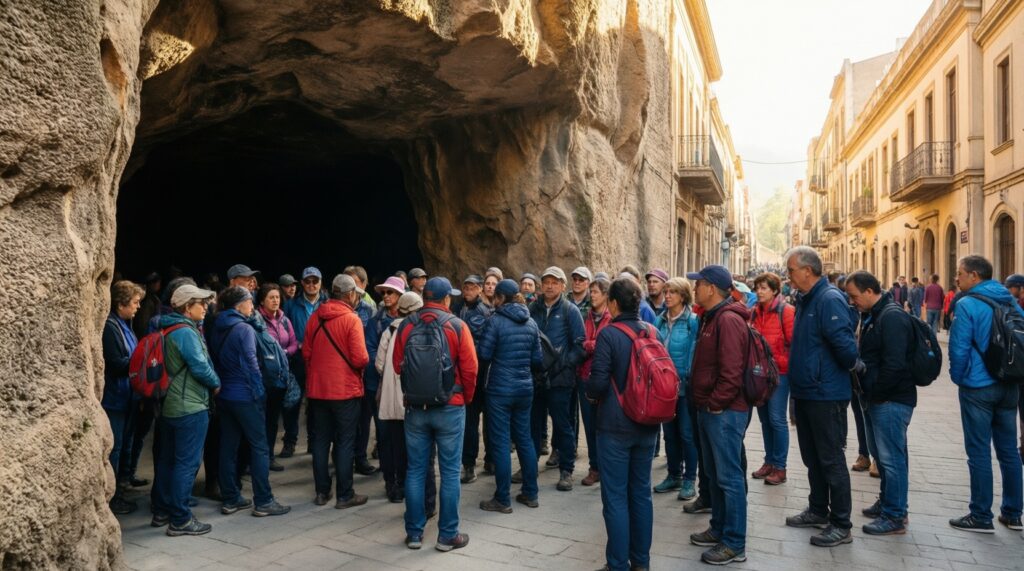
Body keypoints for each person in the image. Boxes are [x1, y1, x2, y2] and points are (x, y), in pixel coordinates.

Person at [391, 277, 479, 552]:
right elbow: (471, 369)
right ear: (446, 299)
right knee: (450, 471)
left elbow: (396, 366)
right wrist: (465, 397)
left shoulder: (406, 325)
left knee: (416, 470)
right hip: (450, 406)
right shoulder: (457, 326)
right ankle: (447, 535)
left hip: (416, 408)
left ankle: (415, 533)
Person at [783, 246, 861, 547]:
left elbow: (846, 348)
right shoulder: (806, 299)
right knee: (812, 457)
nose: (788, 276)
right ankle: (818, 509)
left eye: (791, 270)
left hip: (825, 394)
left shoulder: (828, 299)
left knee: (830, 459)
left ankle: (841, 523)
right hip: (807, 392)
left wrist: (826, 372)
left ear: (807, 270)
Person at [585, 277, 660, 571]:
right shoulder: (652, 330)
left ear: (613, 304)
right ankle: (641, 561)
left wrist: (591, 395)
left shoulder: (609, 334)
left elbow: (598, 382)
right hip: (648, 423)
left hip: (616, 426)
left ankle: (617, 563)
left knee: (615, 496)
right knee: (641, 492)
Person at [947, 255, 1023, 533]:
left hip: (978, 386)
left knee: (978, 451)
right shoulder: (1009, 300)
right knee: (1009, 451)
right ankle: (1013, 513)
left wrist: (959, 378)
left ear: (975, 276)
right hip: (1010, 384)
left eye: (961, 273)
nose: (957, 278)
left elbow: (958, 347)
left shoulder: (967, 304)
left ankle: (981, 515)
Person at [686, 266, 751, 566]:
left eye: (698, 284)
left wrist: (715, 403)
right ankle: (720, 528)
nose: (694, 288)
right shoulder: (711, 316)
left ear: (712, 288)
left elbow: (732, 371)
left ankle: (734, 543)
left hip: (724, 412)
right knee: (715, 475)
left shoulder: (727, 320)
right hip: (711, 410)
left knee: (729, 478)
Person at [208, 286, 290, 517]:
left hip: (225, 395)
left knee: (228, 447)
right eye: (249, 301)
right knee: (260, 447)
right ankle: (263, 501)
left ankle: (230, 498)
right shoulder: (244, 329)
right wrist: (259, 390)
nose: (252, 305)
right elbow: (251, 362)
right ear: (238, 305)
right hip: (245, 395)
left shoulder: (217, 326)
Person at [844, 271, 915, 535]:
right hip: (877, 397)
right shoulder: (874, 314)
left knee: (892, 458)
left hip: (890, 400)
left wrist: (877, 392)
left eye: (854, 296)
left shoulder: (892, 316)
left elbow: (895, 365)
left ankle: (895, 515)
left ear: (869, 291)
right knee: (884, 457)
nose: (852, 302)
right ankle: (889, 502)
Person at [151, 284, 220, 536]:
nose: (205, 307)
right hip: (189, 406)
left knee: (168, 461)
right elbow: (200, 367)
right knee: (186, 463)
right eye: (200, 303)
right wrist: (216, 383)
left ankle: (161, 510)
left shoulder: (167, 327)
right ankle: (180, 518)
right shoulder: (186, 333)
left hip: (170, 405)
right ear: (187, 307)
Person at [302, 274, 371, 509]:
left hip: (318, 390)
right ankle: (344, 494)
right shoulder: (352, 320)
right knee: (345, 441)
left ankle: (322, 492)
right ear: (350, 294)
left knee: (320, 440)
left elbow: (306, 353)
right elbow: (361, 358)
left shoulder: (315, 317)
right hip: (345, 391)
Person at [477, 279, 543, 513]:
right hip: (524, 389)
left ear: (501, 298)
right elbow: (537, 360)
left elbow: (483, 354)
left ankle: (502, 498)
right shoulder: (531, 322)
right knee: (525, 439)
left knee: (501, 443)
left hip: (499, 390)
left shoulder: (495, 321)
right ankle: (531, 493)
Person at [375, 291, 436, 508]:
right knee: (418, 449)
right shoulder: (420, 330)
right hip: (415, 398)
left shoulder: (389, 330)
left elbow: (380, 364)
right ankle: (417, 491)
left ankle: (396, 486)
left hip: (392, 398)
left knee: (394, 444)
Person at [530, 266, 586, 491]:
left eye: (555, 282)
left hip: (560, 379)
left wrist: (561, 365)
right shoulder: (532, 308)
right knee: (532, 425)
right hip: (535, 378)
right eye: (546, 281)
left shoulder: (570, 310)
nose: (550, 286)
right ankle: (529, 466)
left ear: (563, 286)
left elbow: (580, 347)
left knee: (563, 425)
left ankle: (566, 470)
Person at [652, 278, 699, 500]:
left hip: (683, 387)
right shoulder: (659, 321)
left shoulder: (692, 322)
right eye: (666, 291)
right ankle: (674, 475)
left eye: (672, 292)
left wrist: (687, 379)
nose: (667, 295)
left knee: (687, 434)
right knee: (669, 435)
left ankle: (690, 479)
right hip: (663, 389)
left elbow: (693, 352)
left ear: (683, 296)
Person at [103, 280, 145, 514]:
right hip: (115, 397)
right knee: (115, 448)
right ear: (121, 304)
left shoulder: (124, 324)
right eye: (135, 302)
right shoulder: (111, 326)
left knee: (125, 445)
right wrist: (142, 360)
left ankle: (122, 486)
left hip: (127, 396)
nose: (138, 307)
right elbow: (117, 364)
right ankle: (113, 497)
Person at [749, 272, 795, 486]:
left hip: (780, 374)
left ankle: (780, 466)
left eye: (764, 288)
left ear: (775, 290)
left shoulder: (786, 311)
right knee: (765, 419)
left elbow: (794, 343)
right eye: (757, 288)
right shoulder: (754, 313)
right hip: (760, 374)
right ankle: (769, 461)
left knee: (777, 419)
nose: (759, 291)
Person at [281, 266, 327, 458]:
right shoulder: (291, 305)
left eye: (314, 281)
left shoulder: (327, 303)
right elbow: (285, 331)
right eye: (307, 281)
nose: (311, 285)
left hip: (321, 359)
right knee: (293, 401)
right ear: (302, 283)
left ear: (320, 283)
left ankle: (313, 441)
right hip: (298, 359)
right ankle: (290, 442)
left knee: (317, 403)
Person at [364, 276, 407, 482]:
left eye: (391, 292)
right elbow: (370, 350)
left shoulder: (409, 321)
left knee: (403, 433)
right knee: (384, 431)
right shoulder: (376, 321)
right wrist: (388, 369)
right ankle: (389, 474)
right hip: (379, 384)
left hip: (404, 385)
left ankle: (401, 472)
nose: (386, 296)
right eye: (384, 292)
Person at [456, 274, 494, 483]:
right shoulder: (458, 308)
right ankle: (469, 465)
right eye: (466, 286)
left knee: (489, 421)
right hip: (466, 374)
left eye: (472, 287)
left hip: (482, 373)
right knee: (469, 423)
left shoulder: (484, 312)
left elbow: (484, 345)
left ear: (480, 289)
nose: (468, 290)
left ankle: (490, 459)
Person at [257, 283, 298, 472]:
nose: (275, 300)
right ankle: (255, 459)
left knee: (273, 420)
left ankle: (269, 457)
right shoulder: (257, 320)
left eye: (277, 297)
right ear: (262, 301)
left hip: (281, 378)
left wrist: (282, 352)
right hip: (263, 377)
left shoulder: (284, 320)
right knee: (260, 420)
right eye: (271, 297)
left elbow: (293, 343)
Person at [579, 277, 612, 486]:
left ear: (606, 295)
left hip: (604, 379)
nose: (592, 295)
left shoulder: (611, 318)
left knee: (605, 425)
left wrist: (589, 345)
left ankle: (607, 467)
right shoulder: (587, 316)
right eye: (591, 291)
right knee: (589, 426)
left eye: (596, 292)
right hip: (584, 376)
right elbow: (579, 341)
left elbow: (601, 344)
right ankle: (594, 467)